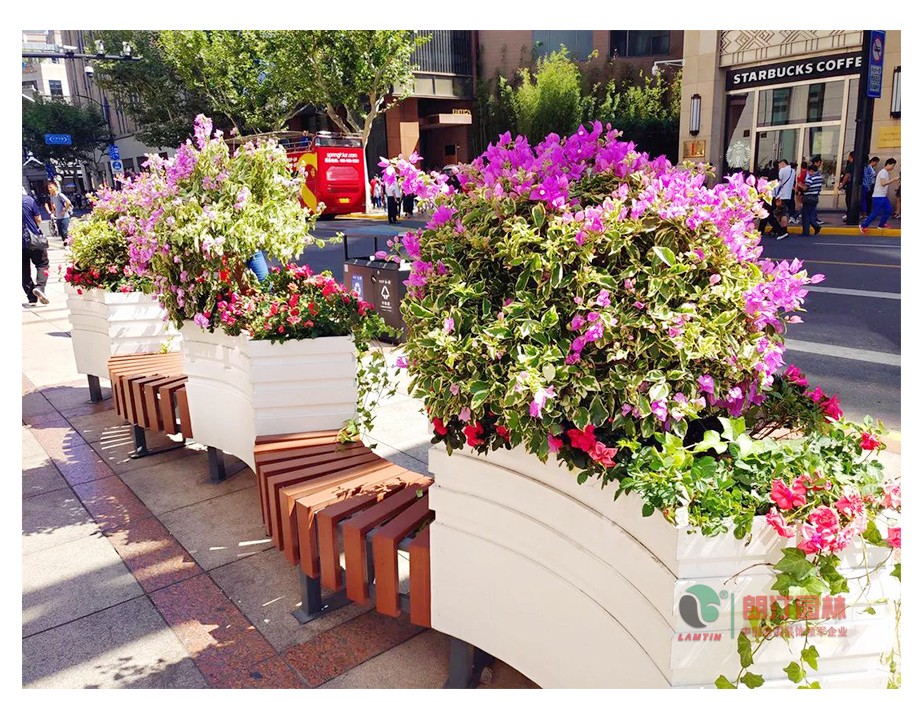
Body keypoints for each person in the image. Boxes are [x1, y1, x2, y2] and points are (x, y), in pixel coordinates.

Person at [22, 187, 50, 305]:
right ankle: (40, 287)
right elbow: (38, 219)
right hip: (33, 239)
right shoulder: (28, 200)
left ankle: (31, 298)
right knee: (42, 264)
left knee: (23, 271)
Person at [859, 158, 900, 234]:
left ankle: (882, 224)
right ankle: (863, 226)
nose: (893, 167)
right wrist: (894, 179)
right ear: (888, 164)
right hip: (878, 196)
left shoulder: (885, 172)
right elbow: (883, 183)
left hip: (882, 196)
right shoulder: (883, 172)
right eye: (893, 165)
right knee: (875, 212)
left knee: (888, 209)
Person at [800, 163, 823, 237]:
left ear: (811, 171)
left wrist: (800, 185)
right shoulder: (819, 177)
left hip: (808, 198)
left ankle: (806, 232)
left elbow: (805, 188)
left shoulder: (810, 178)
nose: (808, 173)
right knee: (811, 214)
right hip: (815, 197)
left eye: (809, 171)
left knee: (805, 215)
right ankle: (816, 226)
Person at [839, 152, 855, 221]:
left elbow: (847, 175)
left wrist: (842, 185)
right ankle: (851, 215)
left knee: (848, 201)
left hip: (850, 186)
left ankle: (849, 215)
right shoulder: (858, 165)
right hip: (856, 187)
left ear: (850, 156)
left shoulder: (850, 165)